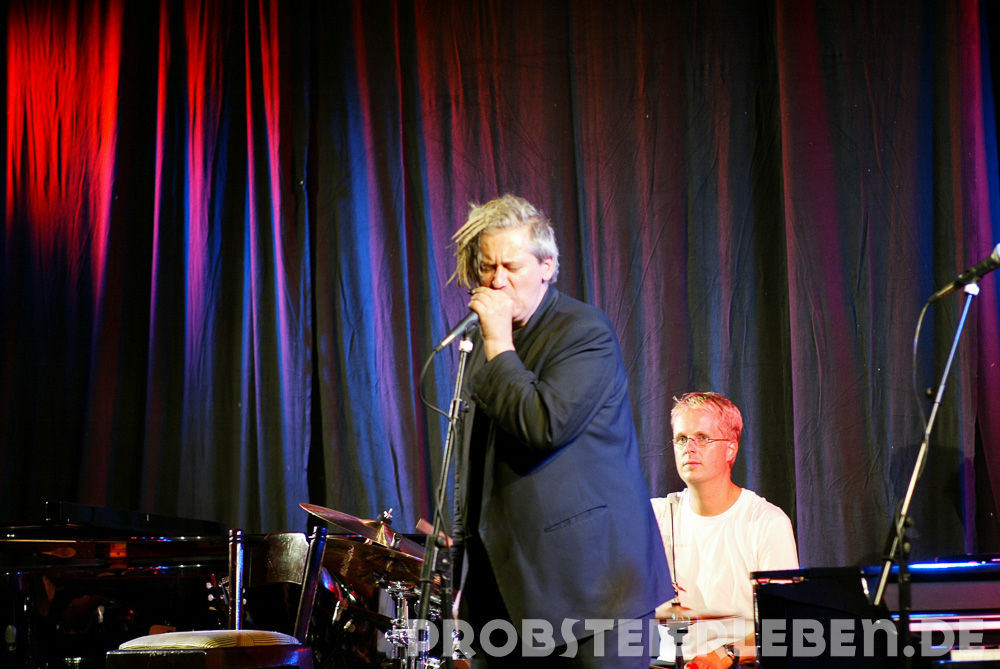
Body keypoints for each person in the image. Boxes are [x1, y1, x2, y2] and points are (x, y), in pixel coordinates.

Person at [448, 194, 673, 668]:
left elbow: (542, 426)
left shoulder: (582, 331)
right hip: (507, 595)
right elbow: (479, 463)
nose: (497, 281)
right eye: (488, 267)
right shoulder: (488, 345)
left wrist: (498, 342)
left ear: (546, 266)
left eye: (512, 266)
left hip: (592, 594)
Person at [651, 392, 798, 669]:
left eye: (702, 438)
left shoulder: (766, 521)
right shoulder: (656, 515)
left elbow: (784, 626)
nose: (689, 448)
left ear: (731, 449)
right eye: (681, 438)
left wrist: (722, 656)